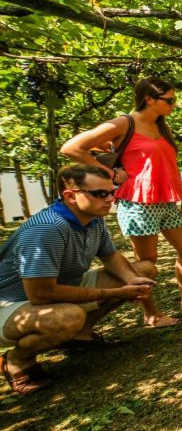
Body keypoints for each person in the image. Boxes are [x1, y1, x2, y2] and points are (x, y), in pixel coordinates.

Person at [0, 165, 158, 394]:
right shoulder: (46, 229)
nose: (110, 198)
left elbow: (110, 256)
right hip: (10, 303)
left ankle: (78, 336)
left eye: (112, 191)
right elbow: (41, 294)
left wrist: (131, 281)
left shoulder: (93, 218)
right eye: (100, 193)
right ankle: (17, 361)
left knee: (143, 270)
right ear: (71, 196)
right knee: (68, 317)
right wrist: (116, 293)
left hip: (58, 287)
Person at [60, 77, 182, 326]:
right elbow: (72, 147)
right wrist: (110, 174)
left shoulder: (162, 127)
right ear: (150, 99)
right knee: (147, 262)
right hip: (138, 202)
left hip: (166, 200)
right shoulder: (125, 123)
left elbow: (169, 166)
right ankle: (151, 313)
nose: (174, 105)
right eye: (170, 100)